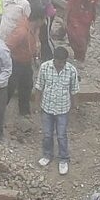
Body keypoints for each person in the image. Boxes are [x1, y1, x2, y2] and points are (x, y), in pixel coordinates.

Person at [34, 45, 78, 175]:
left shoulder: (71, 70)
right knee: (47, 134)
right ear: (54, 59)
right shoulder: (45, 68)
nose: (61, 65)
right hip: (47, 107)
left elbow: (74, 90)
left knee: (61, 135)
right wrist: (37, 105)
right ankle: (47, 155)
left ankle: (63, 159)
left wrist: (76, 107)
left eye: (63, 62)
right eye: (59, 62)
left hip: (63, 109)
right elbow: (39, 87)